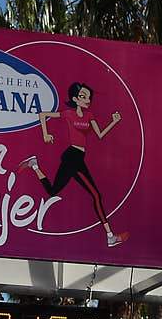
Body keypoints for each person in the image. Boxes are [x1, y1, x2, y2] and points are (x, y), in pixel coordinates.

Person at [23, 82, 127, 248]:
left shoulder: (89, 116)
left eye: (88, 97)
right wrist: (45, 134)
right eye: (83, 97)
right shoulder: (68, 114)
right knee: (96, 195)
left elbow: (100, 135)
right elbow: (43, 115)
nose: (87, 100)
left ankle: (34, 165)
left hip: (78, 157)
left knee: (53, 191)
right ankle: (110, 236)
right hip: (72, 157)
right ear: (75, 99)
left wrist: (113, 122)